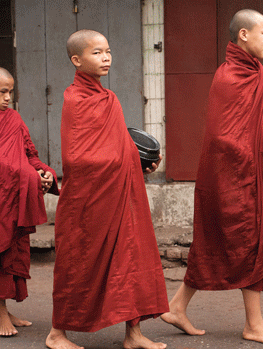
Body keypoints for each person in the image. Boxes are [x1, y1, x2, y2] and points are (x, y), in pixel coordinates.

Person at [160, 9, 263, 346]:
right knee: (249, 239)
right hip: (229, 176)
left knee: (216, 241)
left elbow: (254, 128)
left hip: (245, 171)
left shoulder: (255, 72)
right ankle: (254, 325)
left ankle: (177, 306)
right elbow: (225, 137)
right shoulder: (228, 77)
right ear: (243, 35)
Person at [45, 30, 169, 349]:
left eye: (108, 51)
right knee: (78, 263)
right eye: (97, 53)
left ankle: (134, 334)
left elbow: (119, 144)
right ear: (77, 60)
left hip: (122, 195)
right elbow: (76, 156)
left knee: (132, 258)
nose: (106, 58)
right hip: (89, 201)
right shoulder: (75, 99)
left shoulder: (109, 98)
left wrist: (138, 162)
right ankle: (57, 334)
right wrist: (120, 161)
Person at [0, 67, 58, 337]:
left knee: (14, 252)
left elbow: (28, 155)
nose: (7, 98)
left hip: (14, 198)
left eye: (10, 91)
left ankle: (5, 309)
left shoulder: (14, 118)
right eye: (2, 92)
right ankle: (0, 313)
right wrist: (26, 174)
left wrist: (43, 173)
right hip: (1, 198)